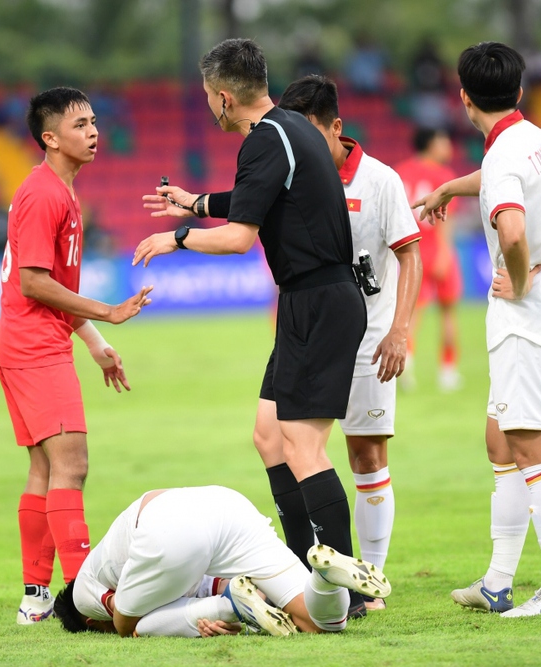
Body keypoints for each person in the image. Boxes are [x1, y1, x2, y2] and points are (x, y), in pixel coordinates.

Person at [134, 39, 367, 614]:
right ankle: (293, 570)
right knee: (270, 437)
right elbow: (257, 199)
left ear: (222, 95)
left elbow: (241, 237)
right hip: (311, 300)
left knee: (304, 447)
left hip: (319, 300)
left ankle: (343, 597)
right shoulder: (288, 128)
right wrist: (195, 203)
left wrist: (177, 236)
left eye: (207, 97)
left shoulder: (265, 140)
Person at [413, 42, 541, 617]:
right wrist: (448, 188)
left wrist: (520, 278)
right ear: (518, 92)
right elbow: (498, 180)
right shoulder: (529, 137)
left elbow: (511, 231)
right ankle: (497, 582)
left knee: (535, 450)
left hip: (530, 322)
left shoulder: (508, 153)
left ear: (462, 98)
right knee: (500, 442)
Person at [0, 87, 153, 626]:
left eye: (93, 122)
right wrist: (106, 314)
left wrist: (94, 343)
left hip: (28, 342)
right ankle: (82, 597)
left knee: (43, 468)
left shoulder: (58, 190)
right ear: (50, 138)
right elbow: (34, 282)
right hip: (34, 346)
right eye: (80, 123)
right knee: (72, 465)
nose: (93, 131)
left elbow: (49, 284)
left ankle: (35, 598)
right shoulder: (45, 195)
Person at [268, 75, 421, 612]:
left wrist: (400, 329)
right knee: (289, 445)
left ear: (337, 127)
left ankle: (369, 578)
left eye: (311, 134)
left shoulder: (380, 181)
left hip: (370, 337)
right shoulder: (290, 178)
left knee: (365, 453)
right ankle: (308, 567)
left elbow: (409, 255)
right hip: (312, 333)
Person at [51, 486, 391, 637]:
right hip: (226, 506)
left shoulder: (82, 594)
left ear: (90, 622)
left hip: (164, 528)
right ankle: (324, 577)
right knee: (322, 624)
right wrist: (210, 618)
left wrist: (210, 613)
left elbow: (124, 621)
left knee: (135, 627)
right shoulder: (121, 561)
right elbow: (233, 583)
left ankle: (229, 608)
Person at [395, 128, 464, 391]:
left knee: (412, 314)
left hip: (411, 252)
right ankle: (448, 372)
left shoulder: (400, 172)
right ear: (430, 145)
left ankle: (406, 365)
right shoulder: (444, 176)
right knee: (448, 313)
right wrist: (445, 252)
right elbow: (448, 218)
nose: (448, 145)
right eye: (443, 140)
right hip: (438, 249)